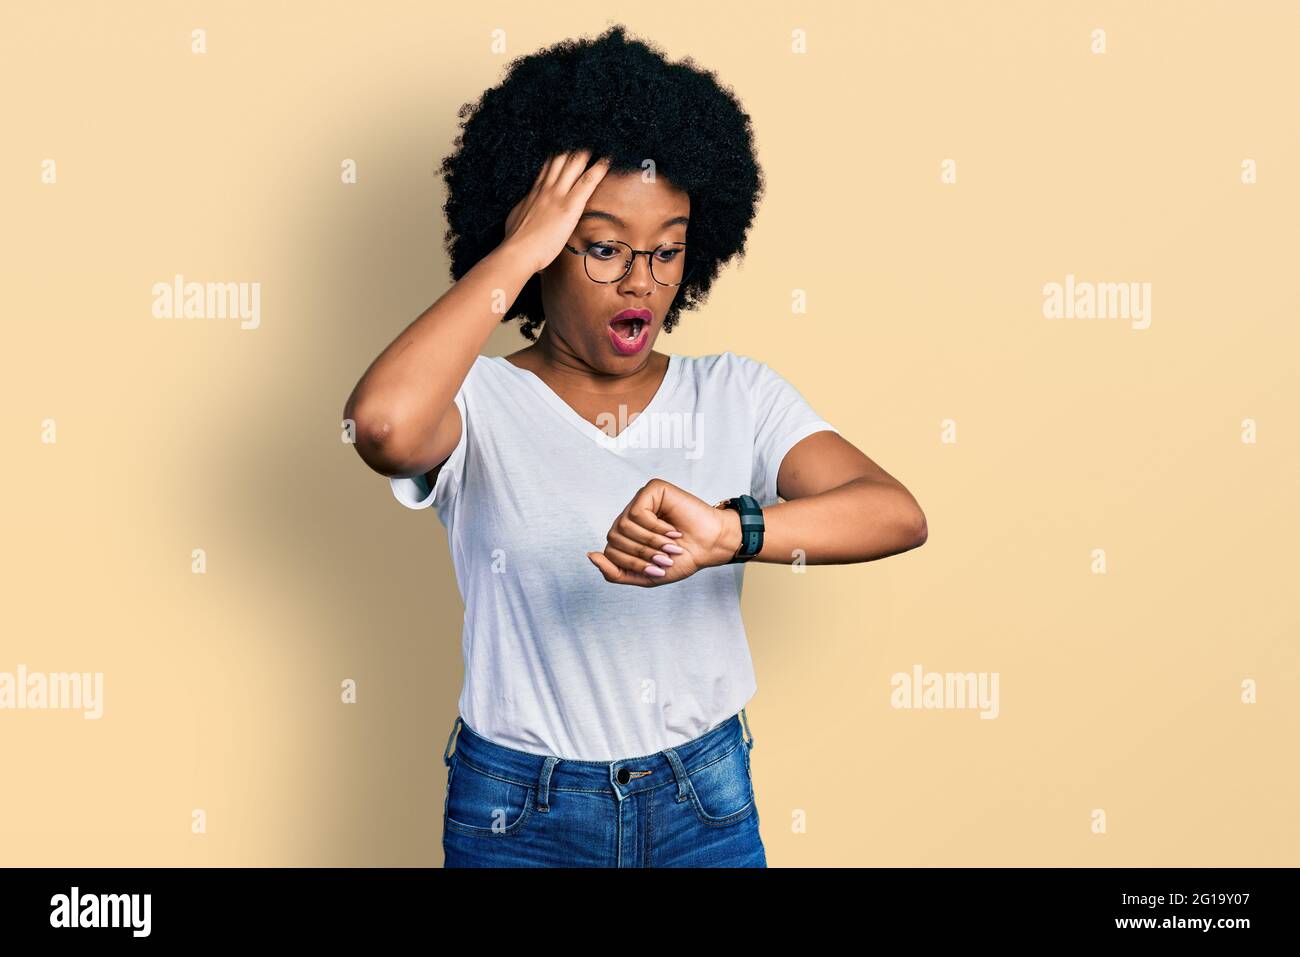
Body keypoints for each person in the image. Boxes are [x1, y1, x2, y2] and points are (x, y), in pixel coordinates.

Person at [343, 24, 927, 867]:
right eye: (605, 247)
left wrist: (731, 533)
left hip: (702, 801)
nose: (643, 281)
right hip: (518, 813)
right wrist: (521, 245)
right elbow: (383, 426)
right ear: (542, 249)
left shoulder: (735, 392)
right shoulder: (476, 403)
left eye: (667, 249)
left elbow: (896, 515)